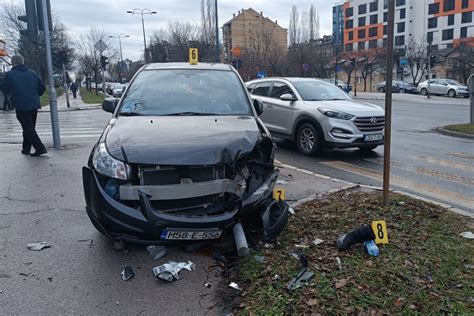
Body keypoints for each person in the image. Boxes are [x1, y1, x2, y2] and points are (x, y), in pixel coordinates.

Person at [1, 55, 48, 156]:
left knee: (28, 128)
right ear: (23, 62)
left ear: (13, 63)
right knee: (29, 127)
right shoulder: (32, 73)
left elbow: (4, 89)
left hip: (20, 104)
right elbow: (42, 87)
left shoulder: (10, 74)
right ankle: (26, 148)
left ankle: (40, 148)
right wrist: (35, 95)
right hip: (33, 104)